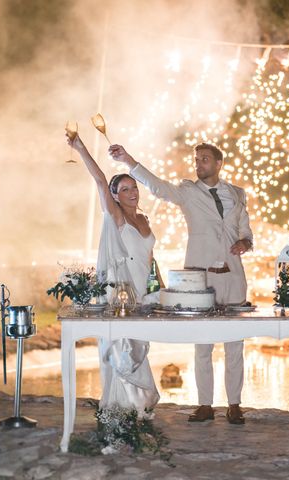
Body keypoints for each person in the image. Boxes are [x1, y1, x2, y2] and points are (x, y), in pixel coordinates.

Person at [109, 142, 253, 425]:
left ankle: (234, 405)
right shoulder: (188, 192)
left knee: (235, 342)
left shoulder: (237, 194)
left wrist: (246, 241)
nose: (198, 164)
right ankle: (205, 405)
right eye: (197, 160)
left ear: (219, 163)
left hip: (234, 276)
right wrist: (129, 161)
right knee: (203, 344)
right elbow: (158, 187)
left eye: (205, 160)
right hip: (199, 278)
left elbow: (245, 227)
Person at [67, 133, 160, 414]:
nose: (133, 192)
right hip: (122, 294)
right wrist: (81, 148)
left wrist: (160, 290)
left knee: (140, 349)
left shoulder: (143, 219)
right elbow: (98, 180)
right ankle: (119, 411)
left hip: (145, 293)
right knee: (122, 348)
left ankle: (137, 408)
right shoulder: (116, 216)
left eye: (135, 187)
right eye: (125, 189)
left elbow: (150, 258)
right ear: (115, 196)